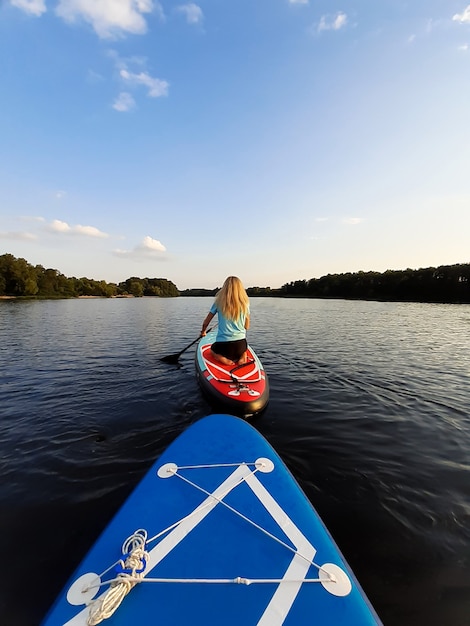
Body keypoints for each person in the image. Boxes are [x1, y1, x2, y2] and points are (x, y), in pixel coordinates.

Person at [200, 276, 250, 366]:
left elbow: (205, 323)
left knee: (212, 350)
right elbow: (247, 326)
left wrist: (203, 331)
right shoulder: (245, 303)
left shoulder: (218, 302)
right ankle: (243, 356)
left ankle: (221, 358)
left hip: (223, 347)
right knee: (243, 350)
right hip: (241, 345)